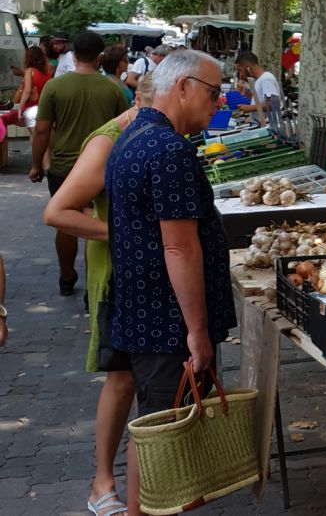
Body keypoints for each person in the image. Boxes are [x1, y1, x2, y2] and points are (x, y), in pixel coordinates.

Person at [105, 50, 237, 516]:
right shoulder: (169, 150)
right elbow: (179, 247)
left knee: (154, 431)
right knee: (166, 438)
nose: (218, 103)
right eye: (214, 92)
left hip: (144, 313)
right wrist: (197, 332)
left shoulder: (133, 136)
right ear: (183, 87)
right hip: (166, 324)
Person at [44, 74, 156, 516]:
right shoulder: (108, 141)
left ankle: (148, 481)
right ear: (142, 101)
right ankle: (102, 484)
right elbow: (57, 212)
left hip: (145, 276)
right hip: (116, 280)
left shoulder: (146, 134)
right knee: (122, 378)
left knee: (143, 379)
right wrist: (125, 233)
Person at [29, 30, 129, 296]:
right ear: (99, 57)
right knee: (97, 221)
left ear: (73, 56)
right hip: (103, 168)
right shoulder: (112, 88)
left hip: (64, 167)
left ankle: (66, 277)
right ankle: (95, 287)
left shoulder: (54, 86)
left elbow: (42, 130)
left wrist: (36, 165)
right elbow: (125, 129)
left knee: (66, 222)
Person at [0, 46, 51, 134]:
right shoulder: (47, 72)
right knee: (43, 139)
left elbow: (27, 91)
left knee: (3, 119)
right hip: (45, 108)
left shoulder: (29, 71)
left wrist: (20, 108)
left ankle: (3, 142)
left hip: (31, 108)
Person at [235, 51, 283, 129]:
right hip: (261, 125)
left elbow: (273, 104)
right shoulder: (258, 80)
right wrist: (246, 93)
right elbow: (260, 99)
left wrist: (250, 108)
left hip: (270, 127)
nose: (240, 75)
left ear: (248, 67)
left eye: (240, 70)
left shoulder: (266, 79)